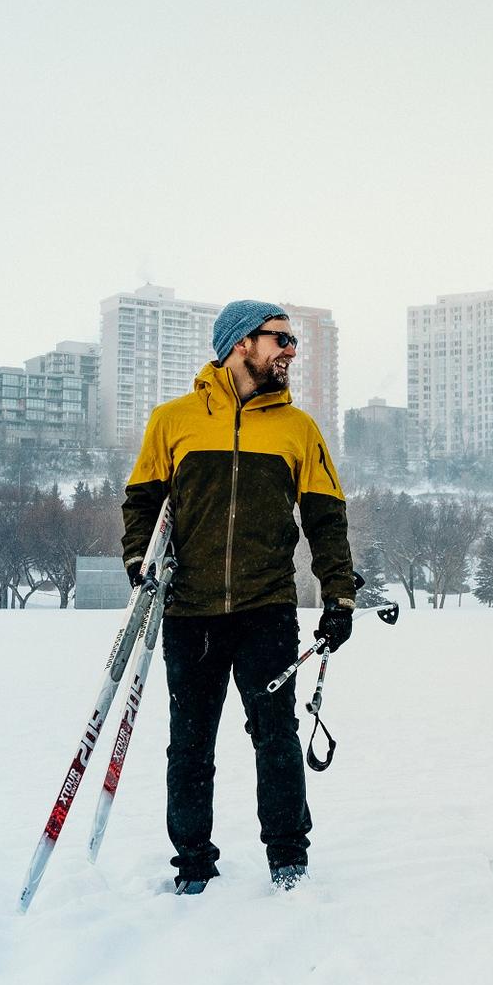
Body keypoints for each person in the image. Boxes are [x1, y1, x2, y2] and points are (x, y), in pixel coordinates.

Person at [121, 299, 357, 895]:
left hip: (266, 610)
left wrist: (340, 597)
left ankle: (287, 859)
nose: (290, 351)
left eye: (293, 341)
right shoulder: (172, 420)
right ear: (240, 343)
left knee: (275, 737)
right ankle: (193, 863)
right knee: (190, 744)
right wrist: (137, 565)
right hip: (189, 611)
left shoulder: (298, 429)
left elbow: (327, 519)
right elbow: (142, 502)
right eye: (280, 339)